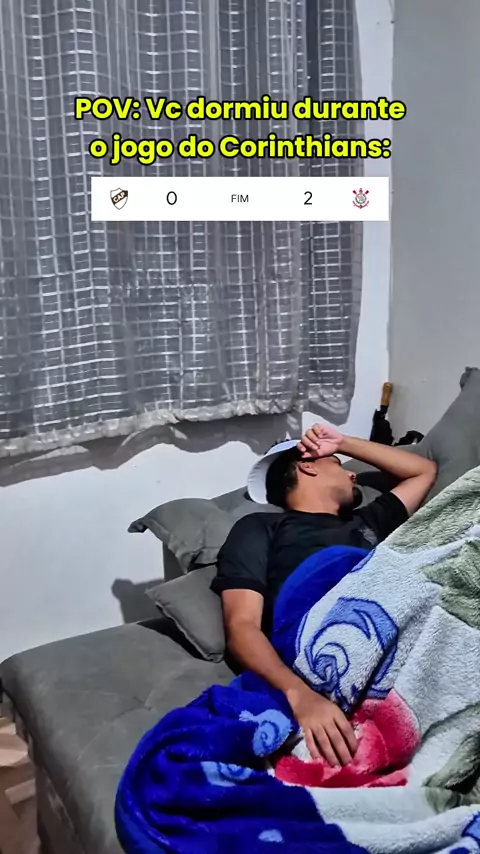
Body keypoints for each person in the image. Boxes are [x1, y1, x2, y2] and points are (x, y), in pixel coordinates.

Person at [211, 423, 437, 769]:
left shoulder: (368, 522)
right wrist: (300, 696)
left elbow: (423, 471)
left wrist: (341, 443)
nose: (352, 475)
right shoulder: (261, 527)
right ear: (307, 466)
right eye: (338, 463)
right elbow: (241, 626)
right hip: (320, 653)